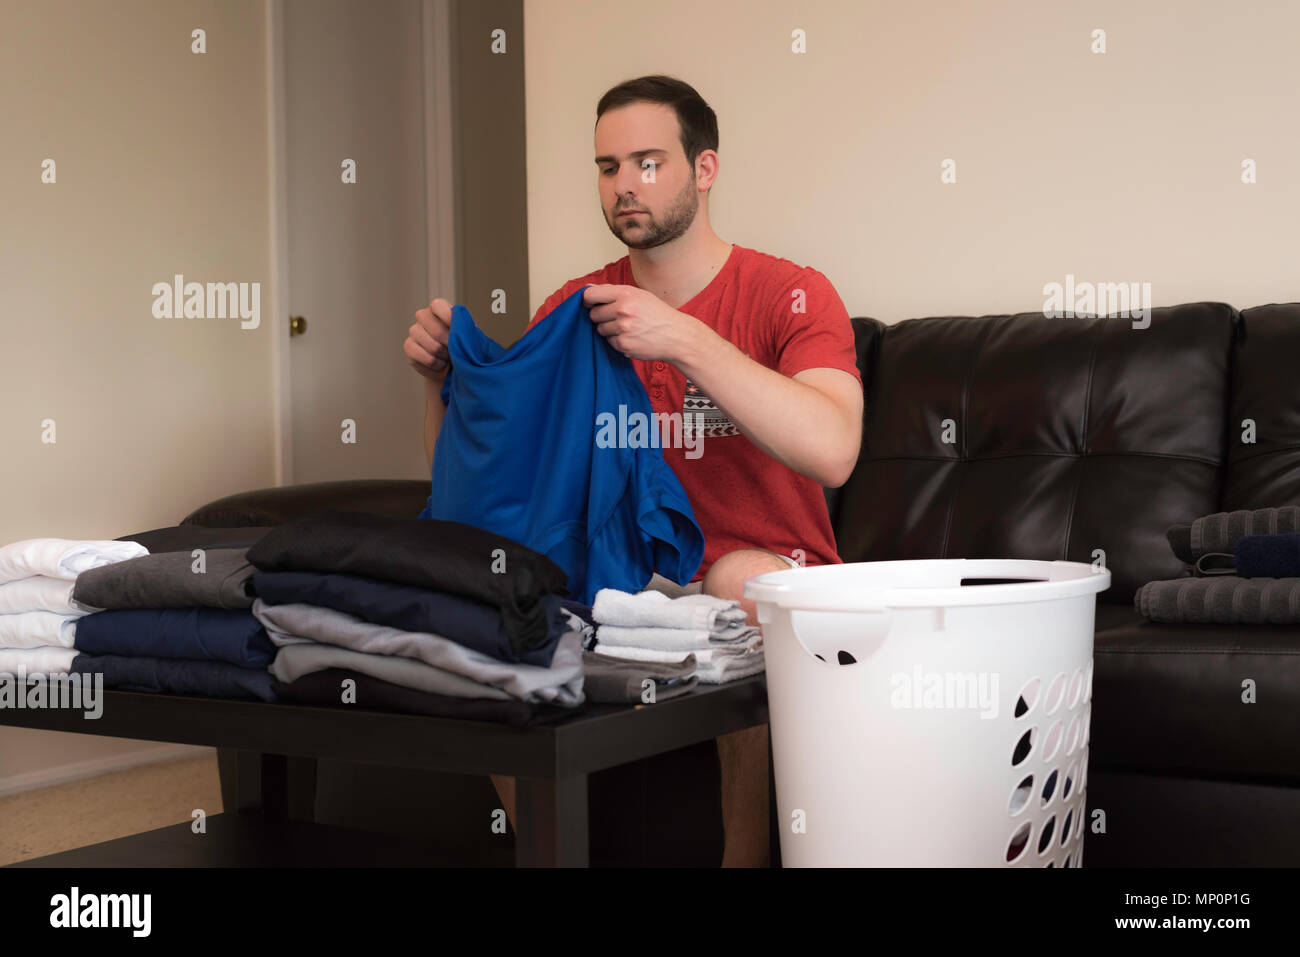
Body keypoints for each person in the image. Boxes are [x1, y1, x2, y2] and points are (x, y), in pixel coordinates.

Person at [404, 74, 863, 867]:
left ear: (705, 168)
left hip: (760, 574)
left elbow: (833, 447)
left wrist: (683, 339)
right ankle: (543, 852)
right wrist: (441, 382)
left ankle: (744, 861)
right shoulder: (575, 307)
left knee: (735, 585)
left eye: (647, 163)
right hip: (620, 582)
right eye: (608, 166)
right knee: (473, 597)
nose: (624, 186)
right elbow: (490, 483)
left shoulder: (790, 293)